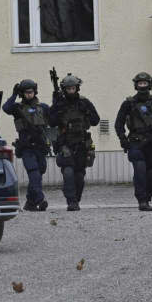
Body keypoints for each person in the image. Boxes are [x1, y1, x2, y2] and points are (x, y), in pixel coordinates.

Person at [114, 72, 152, 211]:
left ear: (149, 85)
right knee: (140, 170)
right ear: (136, 85)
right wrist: (122, 138)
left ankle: (148, 197)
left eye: (145, 83)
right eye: (140, 83)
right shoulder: (128, 104)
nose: (142, 86)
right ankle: (141, 200)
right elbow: (119, 123)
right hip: (136, 143)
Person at [49, 74, 100, 211]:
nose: (71, 91)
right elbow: (51, 122)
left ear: (77, 88)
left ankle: (75, 199)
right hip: (66, 143)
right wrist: (57, 110)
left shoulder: (84, 102)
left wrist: (87, 112)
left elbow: (96, 120)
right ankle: (71, 201)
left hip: (82, 143)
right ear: (64, 90)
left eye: (73, 88)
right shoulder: (60, 103)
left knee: (79, 176)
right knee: (68, 172)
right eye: (68, 89)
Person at [2, 79, 50, 211]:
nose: (29, 94)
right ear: (22, 94)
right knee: (33, 173)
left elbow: (53, 121)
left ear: (35, 92)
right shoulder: (17, 108)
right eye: (26, 92)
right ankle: (40, 199)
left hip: (40, 147)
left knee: (39, 173)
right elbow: (6, 108)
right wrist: (13, 95)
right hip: (26, 147)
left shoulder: (43, 108)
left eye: (31, 92)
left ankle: (30, 203)